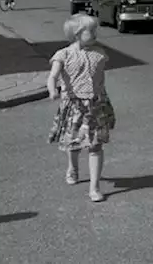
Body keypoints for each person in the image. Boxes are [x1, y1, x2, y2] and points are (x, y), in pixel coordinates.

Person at [47, 14, 116, 203]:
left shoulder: (100, 53)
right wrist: (53, 89)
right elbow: (53, 76)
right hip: (74, 106)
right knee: (74, 143)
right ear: (77, 34)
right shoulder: (63, 54)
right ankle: (73, 167)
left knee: (95, 146)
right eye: (91, 31)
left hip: (96, 105)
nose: (95, 33)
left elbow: (99, 77)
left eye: (95, 30)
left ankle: (94, 187)